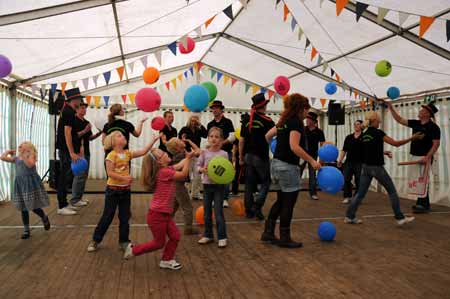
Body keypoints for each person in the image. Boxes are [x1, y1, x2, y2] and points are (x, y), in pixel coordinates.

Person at [261, 94, 320, 248]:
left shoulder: (283, 121)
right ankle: (285, 237)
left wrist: (276, 150)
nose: (307, 112)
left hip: (277, 165)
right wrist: (312, 160)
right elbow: (295, 146)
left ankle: (268, 232)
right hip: (288, 167)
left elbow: (267, 136)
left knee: (281, 201)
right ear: (300, 108)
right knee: (288, 203)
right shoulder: (296, 123)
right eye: (306, 108)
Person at [345, 111, 423, 226]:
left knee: (360, 194)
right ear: (375, 121)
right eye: (379, 120)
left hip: (365, 168)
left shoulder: (364, 134)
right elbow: (396, 144)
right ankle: (400, 217)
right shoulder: (378, 133)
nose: (380, 121)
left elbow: (368, 150)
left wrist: (383, 152)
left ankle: (349, 216)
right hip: (377, 168)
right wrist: (412, 138)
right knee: (392, 192)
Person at [87, 132, 159, 253]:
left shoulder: (127, 153)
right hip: (112, 191)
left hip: (125, 191)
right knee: (107, 216)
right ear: (113, 142)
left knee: (125, 217)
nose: (123, 136)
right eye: (119, 136)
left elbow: (143, 151)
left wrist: (153, 140)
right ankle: (95, 240)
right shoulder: (111, 155)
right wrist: (124, 178)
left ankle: (124, 241)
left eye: (123, 135)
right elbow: (109, 173)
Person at [123, 148, 194, 271]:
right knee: (159, 243)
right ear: (160, 162)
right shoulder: (164, 172)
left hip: (165, 214)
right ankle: (134, 250)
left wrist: (188, 157)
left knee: (175, 236)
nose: (166, 153)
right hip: (157, 216)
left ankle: (166, 260)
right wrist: (188, 159)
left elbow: (178, 165)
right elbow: (183, 175)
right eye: (163, 154)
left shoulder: (165, 170)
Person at [385, 101, 441, 213]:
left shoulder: (434, 127)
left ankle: (423, 204)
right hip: (414, 155)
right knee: (417, 179)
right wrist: (391, 108)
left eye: (423, 110)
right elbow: (400, 120)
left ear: (427, 114)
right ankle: (422, 203)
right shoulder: (416, 123)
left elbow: (436, 144)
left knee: (423, 180)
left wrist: (427, 157)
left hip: (425, 157)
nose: (420, 111)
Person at [1, 142, 51, 239]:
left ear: (28, 148)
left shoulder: (30, 156)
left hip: (29, 185)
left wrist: (26, 155)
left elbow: (30, 164)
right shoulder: (16, 158)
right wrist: (8, 152)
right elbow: (2, 157)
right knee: (23, 208)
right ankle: (26, 229)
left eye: (23, 144)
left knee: (33, 206)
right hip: (20, 186)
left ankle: (44, 217)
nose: (20, 145)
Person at [239, 94, 275, 220]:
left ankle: (249, 211)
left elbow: (241, 140)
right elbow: (274, 138)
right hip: (261, 156)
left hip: (248, 155)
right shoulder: (268, 121)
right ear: (264, 106)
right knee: (266, 182)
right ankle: (257, 206)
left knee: (249, 184)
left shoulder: (247, 120)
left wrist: (240, 157)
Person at [197, 127, 229, 248]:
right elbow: (198, 166)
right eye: (211, 136)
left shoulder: (224, 154)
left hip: (219, 186)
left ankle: (222, 236)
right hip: (207, 185)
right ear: (208, 138)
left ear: (221, 140)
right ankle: (208, 235)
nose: (214, 139)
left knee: (219, 212)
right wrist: (201, 169)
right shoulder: (204, 153)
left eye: (217, 137)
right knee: (207, 212)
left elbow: (227, 170)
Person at [55, 88, 84, 215]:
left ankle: (65, 203)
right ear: (73, 100)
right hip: (65, 150)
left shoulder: (70, 111)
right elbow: (67, 133)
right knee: (64, 177)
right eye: (79, 99)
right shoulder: (67, 112)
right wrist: (72, 152)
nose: (81, 101)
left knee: (67, 176)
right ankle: (61, 206)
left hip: (66, 149)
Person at [166, 137, 200, 235]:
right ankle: (188, 228)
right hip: (178, 185)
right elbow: (198, 151)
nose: (182, 141)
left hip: (175, 184)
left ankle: (165, 224)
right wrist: (190, 141)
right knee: (188, 207)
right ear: (177, 147)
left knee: (173, 207)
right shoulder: (182, 155)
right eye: (179, 141)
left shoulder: (178, 155)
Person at [70, 101, 102, 207]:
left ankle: (79, 198)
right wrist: (84, 130)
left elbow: (89, 138)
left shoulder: (86, 122)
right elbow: (73, 136)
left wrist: (99, 133)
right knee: (79, 176)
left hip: (86, 152)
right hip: (77, 152)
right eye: (81, 108)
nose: (84, 110)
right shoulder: (73, 121)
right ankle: (74, 199)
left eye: (85, 108)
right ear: (76, 109)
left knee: (84, 176)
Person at [207, 100, 235, 208]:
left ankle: (224, 198)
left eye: (216, 108)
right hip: (213, 154)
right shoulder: (210, 124)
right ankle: (215, 198)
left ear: (221, 109)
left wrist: (221, 143)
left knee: (226, 175)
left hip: (226, 152)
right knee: (214, 175)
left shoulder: (227, 122)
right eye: (213, 108)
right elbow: (208, 139)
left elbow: (232, 137)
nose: (214, 110)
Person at [178, 113, 207, 201]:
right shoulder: (184, 129)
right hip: (187, 155)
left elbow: (206, 135)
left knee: (197, 175)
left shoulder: (199, 129)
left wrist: (200, 124)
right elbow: (179, 141)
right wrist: (183, 143)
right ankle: (186, 194)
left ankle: (195, 194)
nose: (194, 122)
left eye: (196, 120)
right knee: (187, 175)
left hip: (197, 154)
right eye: (192, 120)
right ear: (189, 120)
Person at [299, 111, 325, 200]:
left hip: (313, 155)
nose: (306, 120)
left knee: (312, 174)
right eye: (306, 119)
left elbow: (322, 145)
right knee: (298, 172)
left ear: (314, 121)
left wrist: (322, 158)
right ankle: (294, 190)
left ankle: (313, 193)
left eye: (308, 119)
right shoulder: (303, 129)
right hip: (302, 154)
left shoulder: (319, 132)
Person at [337, 120, 363, 204]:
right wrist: (340, 160)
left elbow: (370, 150)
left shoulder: (365, 137)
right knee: (346, 179)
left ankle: (357, 197)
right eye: (354, 124)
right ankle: (347, 196)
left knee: (359, 181)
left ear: (361, 126)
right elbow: (344, 150)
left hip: (360, 163)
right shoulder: (349, 137)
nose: (356, 126)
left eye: (358, 124)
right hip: (348, 162)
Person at [232, 113, 249, 196]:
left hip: (243, 155)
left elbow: (235, 145)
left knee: (240, 173)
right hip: (243, 154)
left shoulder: (239, 130)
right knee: (242, 173)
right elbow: (235, 145)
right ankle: (236, 191)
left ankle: (235, 191)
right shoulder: (240, 131)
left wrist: (235, 156)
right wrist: (235, 156)